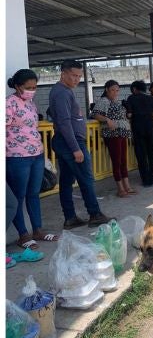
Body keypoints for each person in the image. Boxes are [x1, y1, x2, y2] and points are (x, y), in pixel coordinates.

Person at [48, 60, 112, 228]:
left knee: (67, 181)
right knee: (86, 178)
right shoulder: (61, 93)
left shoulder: (64, 91)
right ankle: (94, 213)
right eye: (73, 76)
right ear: (63, 74)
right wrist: (76, 148)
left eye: (79, 76)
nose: (77, 79)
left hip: (67, 141)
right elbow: (64, 122)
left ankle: (70, 218)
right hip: (71, 142)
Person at [6, 69, 59, 248]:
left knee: (33, 194)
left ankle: (37, 230)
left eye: (34, 87)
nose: (32, 90)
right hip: (17, 157)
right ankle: (23, 234)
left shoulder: (30, 103)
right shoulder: (8, 103)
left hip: (36, 155)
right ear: (17, 86)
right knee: (18, 197)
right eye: (28, 87)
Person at [91, 80, 135, 197]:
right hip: (112, 134)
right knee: (117, 161)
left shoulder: (115, 101)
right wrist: (107, 120)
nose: (115, 92)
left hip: (121, 133)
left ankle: (127, 186)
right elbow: (95, 114)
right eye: (113, 90)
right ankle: (120, 189)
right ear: (106, 89)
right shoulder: (104, 101)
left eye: (117, 90)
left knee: (123, 160)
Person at [126, 80, 153, 187]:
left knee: (141, 155)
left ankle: (146, 180)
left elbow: (129, 115)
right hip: (150, 128)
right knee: (151, 153)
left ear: (134, 89)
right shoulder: (150, 98)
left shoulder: (131, 98)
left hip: (138, 129)